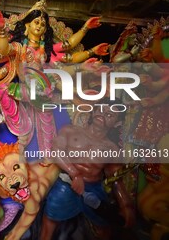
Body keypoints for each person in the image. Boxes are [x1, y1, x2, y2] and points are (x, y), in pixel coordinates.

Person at [40, 100, 135, 240]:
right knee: (52, 210)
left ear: (117, 123)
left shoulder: (111, 148)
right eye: (101, 110)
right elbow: (56, 152)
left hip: (94, 188)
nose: (103, 114)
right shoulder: (70, 130)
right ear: (93, 111)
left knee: (106, 223)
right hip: (67, 181)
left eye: (110, 115)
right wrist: (75, 173)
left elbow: (116, 179)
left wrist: (126, 205)